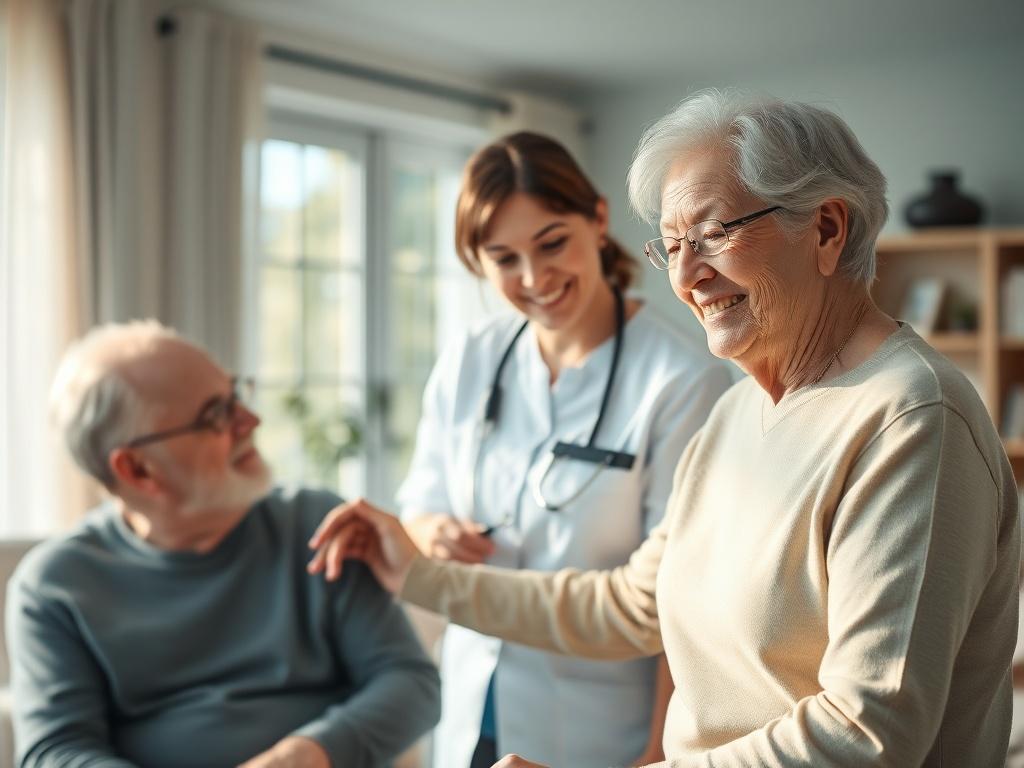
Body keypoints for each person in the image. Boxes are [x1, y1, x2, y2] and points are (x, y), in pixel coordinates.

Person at [308, 91, 1021, 767]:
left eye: (712, 234)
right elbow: (629, 605)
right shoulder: (740, 412)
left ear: (828, 229)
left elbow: (870, 732)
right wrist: (418, 574)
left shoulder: (911, 419)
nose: (687, 276)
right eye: (671, 246)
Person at [386, 132, 732, 768]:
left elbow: (684, 607)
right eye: (503, 259)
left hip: (596, 728)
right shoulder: (472, 357)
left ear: (598, 220)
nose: (534, 278)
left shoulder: (682, 379)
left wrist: (657, 757)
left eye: (552, 244)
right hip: (470, 702)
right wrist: (435, 533)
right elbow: (420, 500)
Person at [6, 321, 441, 768]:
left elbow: (410, 682)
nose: (251, 421)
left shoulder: (319, 527)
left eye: (237, 395)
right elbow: (55, 751)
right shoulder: (54, 586)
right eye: (216, 415)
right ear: (137, 470)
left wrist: (307, 755)